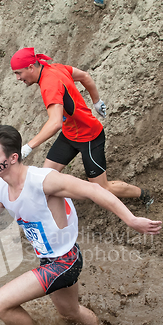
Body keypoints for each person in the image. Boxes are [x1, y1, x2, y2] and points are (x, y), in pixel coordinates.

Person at [0, 125, 162, 325]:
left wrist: (131, 220)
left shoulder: (42, 181)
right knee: (70, 313)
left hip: (65, 261)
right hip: (49, 259)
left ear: (13, 158)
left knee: (0, 303)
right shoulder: (0, 186)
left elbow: (94, 190)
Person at [10, 48, 153, 208]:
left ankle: (143, 194)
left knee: (101, 188)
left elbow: (55, 122)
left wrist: (28, 147)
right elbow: (85, 76)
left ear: (30, 67)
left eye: (18, 73)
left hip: (89, 137)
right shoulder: (56, 68)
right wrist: (96, 101)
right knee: (46, 179)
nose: (17, 78)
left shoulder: (49, 84)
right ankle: (55, 216)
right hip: (69, 134)